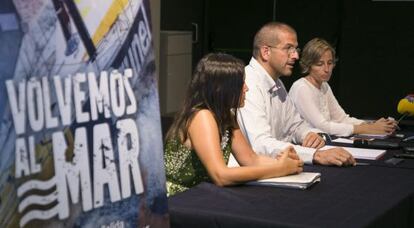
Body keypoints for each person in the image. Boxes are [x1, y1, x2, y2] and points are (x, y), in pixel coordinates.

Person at [164, 53, 304, 196]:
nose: (246, 88)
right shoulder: (202, 117)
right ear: (221, 88)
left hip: (202, 196)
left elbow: (251, 159)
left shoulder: (226, 115)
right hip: (178, 199)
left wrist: (283, 162)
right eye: (241, 84)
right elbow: (220, 176)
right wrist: (279, 168)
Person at [238, 22, 355, 167]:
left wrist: (311, 135)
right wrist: (315, 154)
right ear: (265, 52)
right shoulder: (248, 83)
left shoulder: (277, 83)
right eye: (288, 48)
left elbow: (295, 126)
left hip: (278, 166)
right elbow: (260, 144)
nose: (295, 55)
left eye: (296, 49)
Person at [289, 38, 397, 137]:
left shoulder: (324, 85)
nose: (327, 69)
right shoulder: (302, 88)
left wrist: (373, 124)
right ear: (308, 65)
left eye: (330, 63)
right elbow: (322, 127)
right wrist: (368, 128)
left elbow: (341, 119)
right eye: (320, 64)